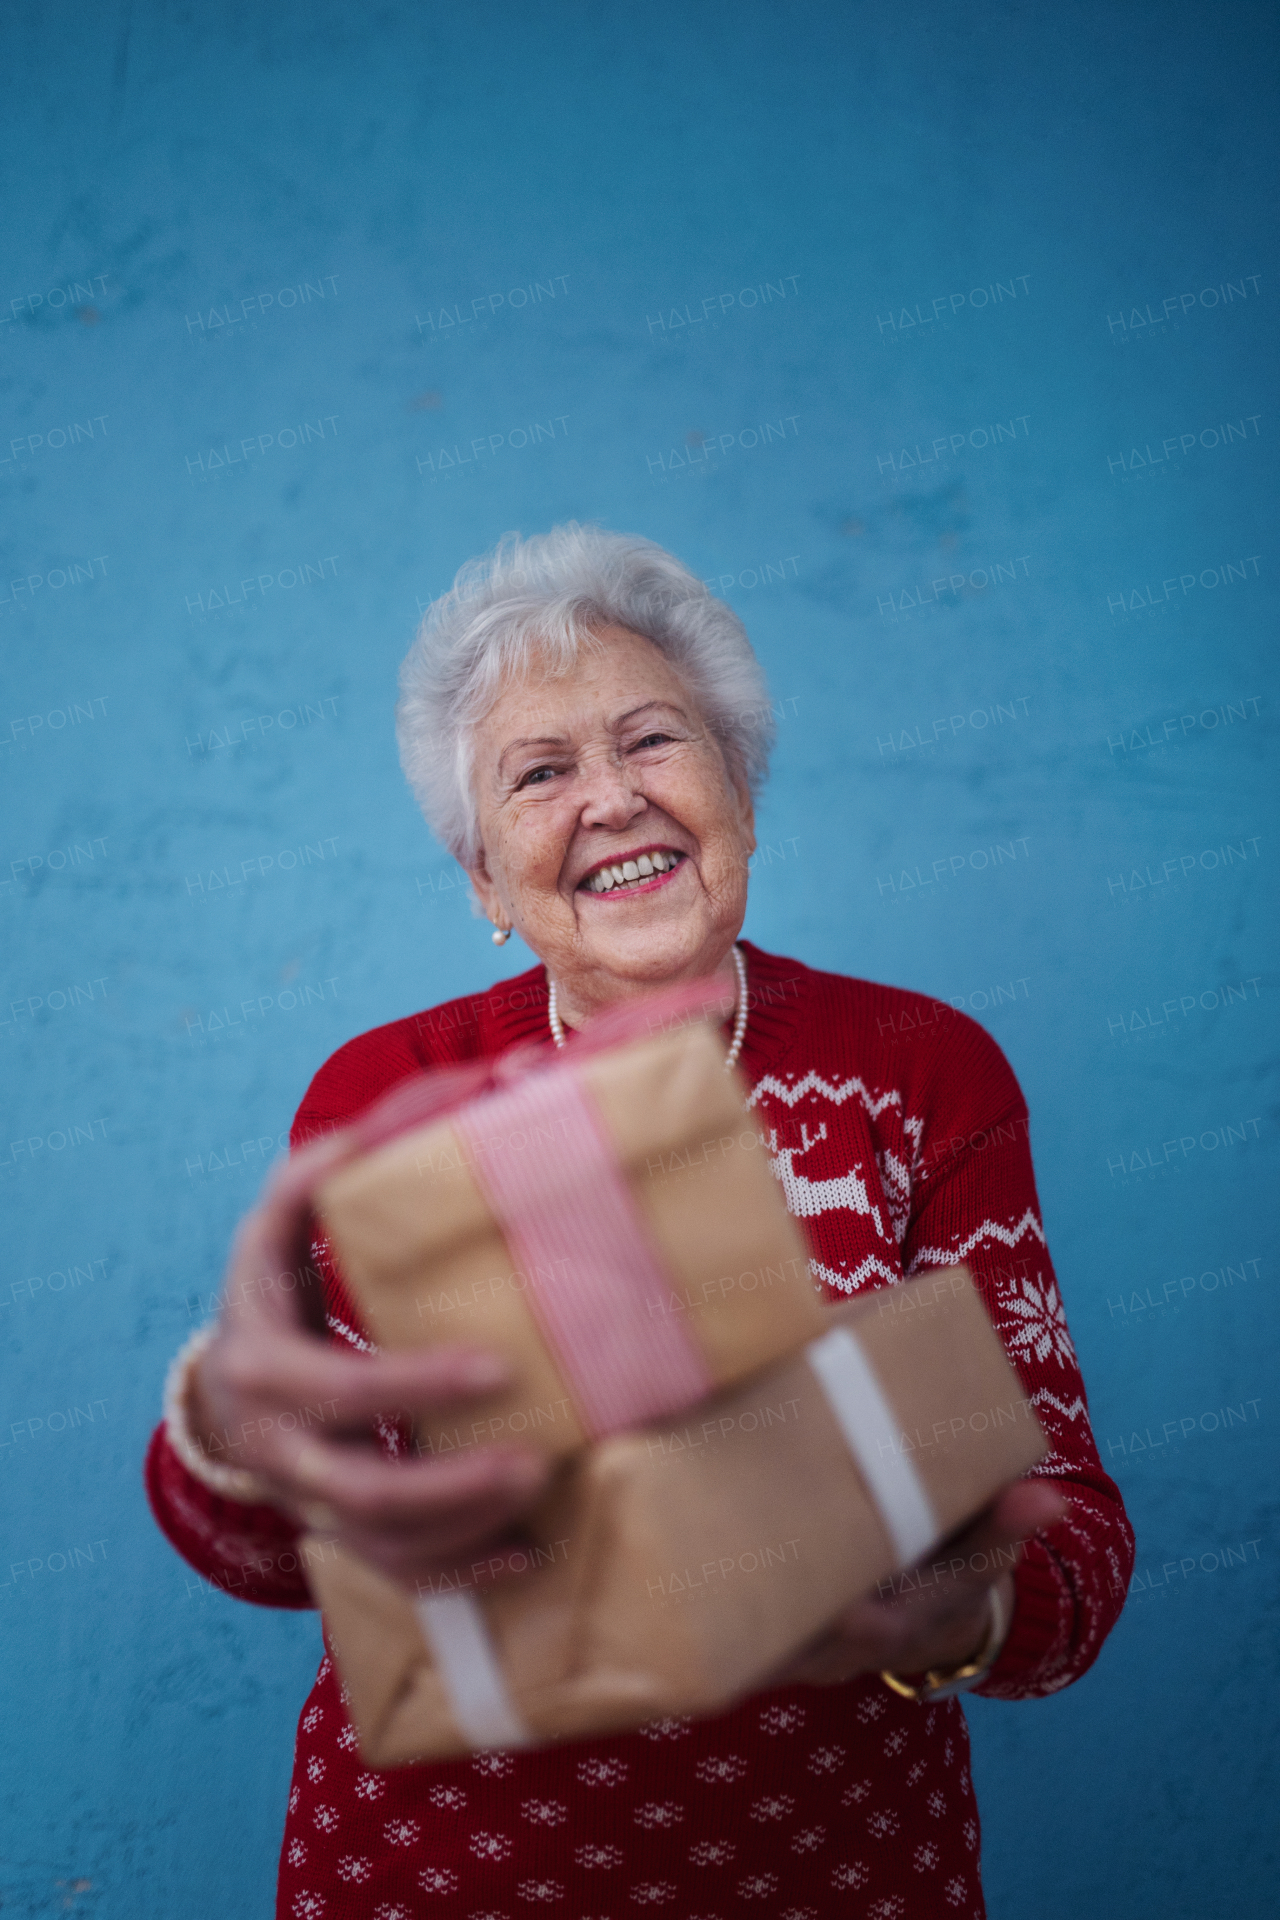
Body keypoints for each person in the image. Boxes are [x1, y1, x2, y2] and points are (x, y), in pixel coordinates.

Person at [147, 523, 1134, 1920]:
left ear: (740, 791)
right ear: (487, 881)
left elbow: (1076, 1550)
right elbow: (261, 1556)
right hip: (438, 1879)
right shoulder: (387, 1097)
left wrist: (966, 1604)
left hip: (845, 1876)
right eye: (540, 774)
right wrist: (239, 1421)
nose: (610, 800)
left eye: (653, 742)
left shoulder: (922, 1075)